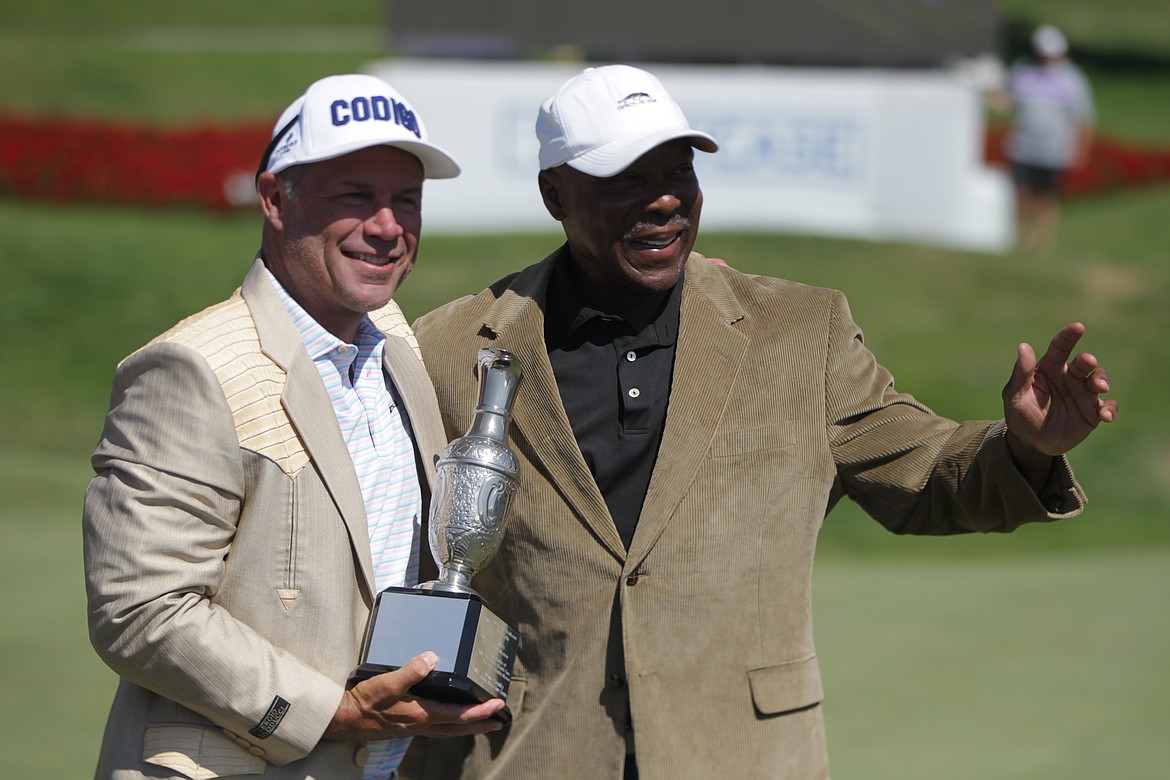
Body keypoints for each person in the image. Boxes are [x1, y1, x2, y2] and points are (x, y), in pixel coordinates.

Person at [405, 65, 1118, 779]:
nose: (663, 200)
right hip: (535, 756)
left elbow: (926, 472)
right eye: (626, 178)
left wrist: (1022, 448)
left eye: (678, 170)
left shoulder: (803, 331)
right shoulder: (448, 347)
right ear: (554, 193)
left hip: (744, 757)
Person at [82, 74, 505, 780]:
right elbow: (141, 609)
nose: (387, 227)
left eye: (406, 201)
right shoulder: (191, 367)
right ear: (276, 200)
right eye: (354, 197)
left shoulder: (398, 344)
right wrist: (329, 713)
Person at [1002, 24, 1096, 253]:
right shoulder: (1022, 71)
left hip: (1054, 149)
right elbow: (1008, 102)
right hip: (1023, 146)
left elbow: (1083, 117)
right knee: (1021, 197)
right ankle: (1019, 242)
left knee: (1046, 200)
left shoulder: (1073, 79)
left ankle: (1041, 246)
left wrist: (1081, 148)